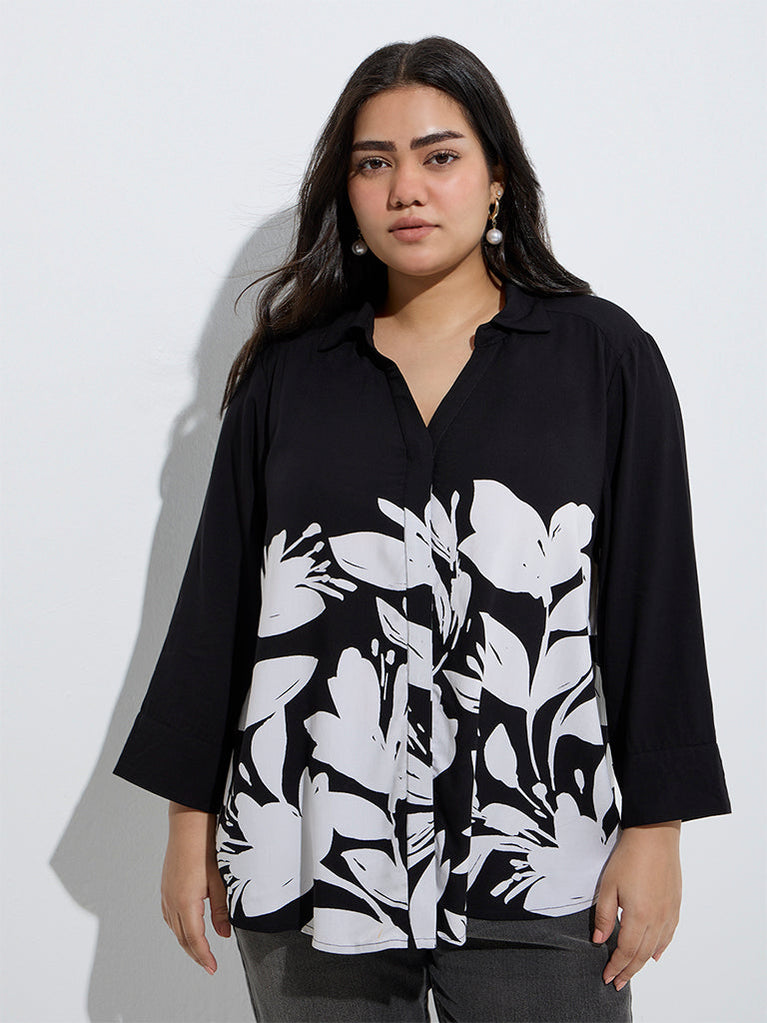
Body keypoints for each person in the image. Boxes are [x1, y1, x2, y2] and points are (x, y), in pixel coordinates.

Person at [114, 35, 732, 1023]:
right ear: (348, 192)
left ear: (496, 180)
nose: (406, 188)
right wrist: (190, 823)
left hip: (536, 851)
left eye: (439, 156)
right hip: (315, 851)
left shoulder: (602, 359)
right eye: (374, 163)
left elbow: (652, 602)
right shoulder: (290, 375)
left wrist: (656, 832)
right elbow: (219, 605)